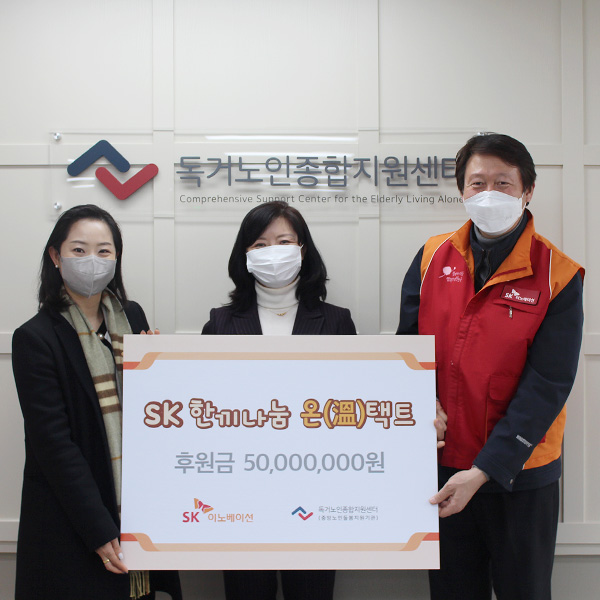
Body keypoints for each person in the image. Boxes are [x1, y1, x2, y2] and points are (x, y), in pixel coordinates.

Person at [397, 133, 584, 600]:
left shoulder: (558, 274)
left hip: (521, 473)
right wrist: (421, 400)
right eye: (477, 183)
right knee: (453, 591)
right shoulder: (431, 257)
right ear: (462, 190)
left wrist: (485, 469)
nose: (488, 194)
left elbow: (548, 383)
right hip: (444, 465)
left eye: (503, 183)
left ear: (527, 191)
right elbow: (408, 349)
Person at [12, 205, 182, 600]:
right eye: (79, 250)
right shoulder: (35, 337)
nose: (92, 260)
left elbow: (154, 417)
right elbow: (54, 445)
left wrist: (160, 371)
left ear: (117, 258)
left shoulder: (132, 317)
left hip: (139, 510)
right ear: (55, 256)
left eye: (104, 251)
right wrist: (99, 529)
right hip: (72, 518)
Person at [203, 200, 356, 600]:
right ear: (245, 255)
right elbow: (202, 412)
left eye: (284, 241)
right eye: (260, 244)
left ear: (302, 250)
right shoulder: (219, 323)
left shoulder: (337, 322)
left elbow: (355, 410)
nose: (272, 252)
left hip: (316, 492)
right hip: (239, 496)